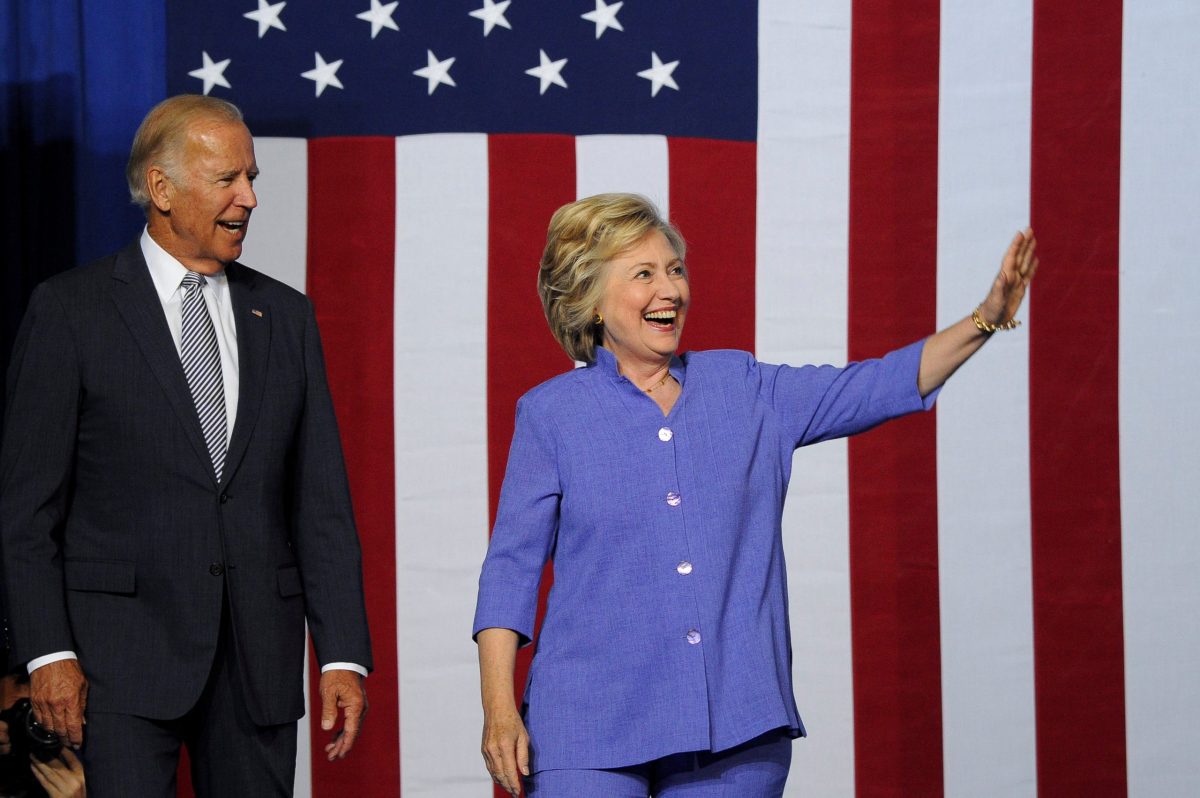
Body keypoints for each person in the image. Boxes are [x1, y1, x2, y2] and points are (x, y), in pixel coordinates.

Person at [473, 193, 1038, 796]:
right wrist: (500, 710)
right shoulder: (550, 415)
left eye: (675, 270)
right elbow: (511, 570)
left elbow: (877, 385)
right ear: (591, 300)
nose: (670, 290)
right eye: (644, 275)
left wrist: (986, 315)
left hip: (736, 728)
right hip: (585, 730)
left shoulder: (744, 386)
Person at [0, 94, 373, 797]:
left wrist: (342, 655)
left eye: (252, 177)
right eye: (229, 179)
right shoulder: (70, 311)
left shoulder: (285, 316)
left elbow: (320, 503)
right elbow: (27, 512)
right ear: (163, 190)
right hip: (116, 667)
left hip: (258, 667)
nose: (251, 199)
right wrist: (49, 652)